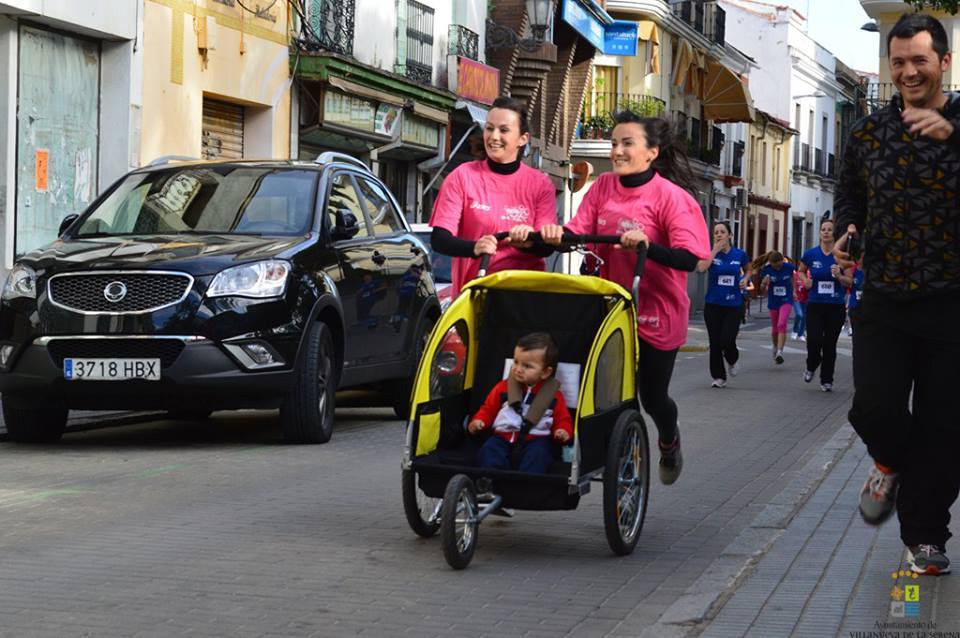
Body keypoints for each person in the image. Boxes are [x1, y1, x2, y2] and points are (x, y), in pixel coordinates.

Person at [833, 13, 960, 575]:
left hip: (952, 303)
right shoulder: (867, 132)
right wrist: (847, 231)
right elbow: (850, 196)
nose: (908, 72)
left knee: (945, 426)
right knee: (875, 406)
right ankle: (890, 458)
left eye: (920, 61)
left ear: (945, 63)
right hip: (883, 295)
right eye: (899, 62)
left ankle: (926, 536)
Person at [540, 111, 710, 485]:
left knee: (652, 397)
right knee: (594, 391)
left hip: (657, 312)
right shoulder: (601, 188)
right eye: (614, 143)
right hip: (610, 306)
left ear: (651, 152)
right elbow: (579, 230)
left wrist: (648, 245)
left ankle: (669, 437)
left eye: (626, 143)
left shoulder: (672, 198)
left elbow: (693, 256)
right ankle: (593, 452)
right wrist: (556, 234)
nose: (616, 150)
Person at [429, 96, 556, 297]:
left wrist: (530, 240)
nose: (494, 136)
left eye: (504, 130)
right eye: (489, 128)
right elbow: (439, 239)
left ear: (523, 139)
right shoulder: (462, 176)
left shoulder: (540, 184)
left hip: (527, 299)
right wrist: (475, 247)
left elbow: (547, 247)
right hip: (475, 297)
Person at [468, 333, 573, 473]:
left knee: (539, 455)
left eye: (527, 366)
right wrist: (479, 421)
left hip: (536, 439)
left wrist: (563, 431)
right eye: (516, 362)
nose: (518, 369)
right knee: (489, 450)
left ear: (545, 373)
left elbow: (563, 418)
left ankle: (525, 485)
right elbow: (488, 409)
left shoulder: (553, 395)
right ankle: (491, 484)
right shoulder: (503, 387)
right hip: (503, 437)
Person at [697, 221, 750, 387]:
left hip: (734, 305)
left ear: (729, 235)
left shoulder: (739, 254)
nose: (718, 235)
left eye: (722, 232)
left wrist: (746, 280)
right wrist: (714, 251)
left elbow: (749, 269)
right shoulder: (710, 254)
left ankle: (732, 360)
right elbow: (701, 268)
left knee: (727, 340)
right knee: (715, 342)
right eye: (716, 232)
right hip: (713, 304)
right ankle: (718, 377)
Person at [797, 219, 846, 392]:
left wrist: (839, 276)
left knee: (830, 344)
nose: (826, 232)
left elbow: (849, 281)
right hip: (815, 304)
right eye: (823, 229)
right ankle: (812, 364)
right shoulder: (811, 254)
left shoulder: (841, 255)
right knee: (814, 340)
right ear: (819, 233)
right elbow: (801, 270)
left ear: (835, 234)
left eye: (829, 230)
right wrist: (805, 280)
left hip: (835, 305)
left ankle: (827, 379)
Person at [759, 251, 795, 364]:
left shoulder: (789, 267)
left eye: (779, 264)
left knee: (782, 324)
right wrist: (764, 284)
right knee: (775, 328)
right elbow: (762, 290)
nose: (778, 267)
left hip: (786, 300)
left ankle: (780, 352)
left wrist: (794, 291)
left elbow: (793, 279)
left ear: (782, 261)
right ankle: (775, 346)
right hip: (773, 301)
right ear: (770, 263)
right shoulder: (767, 270)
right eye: (775, 265)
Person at [791, 259, 808, 341]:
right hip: (797, 297)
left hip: (806, 298)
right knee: (799, 314)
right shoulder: (795, 274)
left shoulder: (809, 274)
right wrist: (793, 292)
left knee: (805, 317)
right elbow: (793, 284)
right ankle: (794, 330)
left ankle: (801, 333)